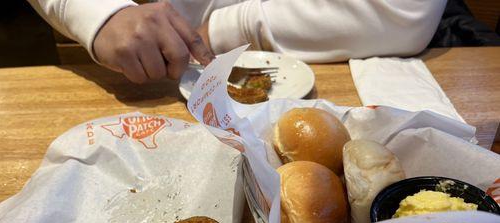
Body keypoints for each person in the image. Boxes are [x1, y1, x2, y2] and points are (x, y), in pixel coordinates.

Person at [27, 0, 447, 84]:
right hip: (145, 74)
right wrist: (96, 14)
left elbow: (405, 11)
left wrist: (231, 27)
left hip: (327, 66)